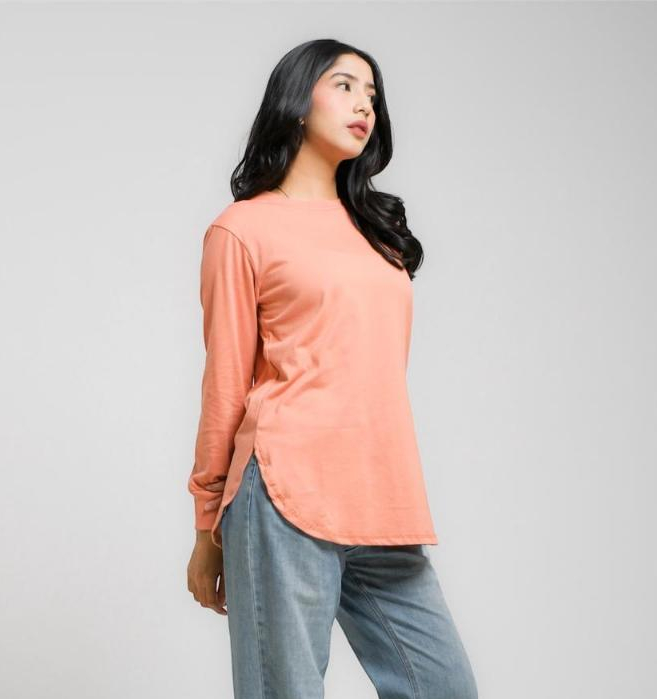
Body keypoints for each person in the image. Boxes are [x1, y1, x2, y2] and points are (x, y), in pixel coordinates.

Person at [186, 38, 479, 699]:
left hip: (382, 493)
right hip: (283, 492)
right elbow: (225, 383)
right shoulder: (242, 230)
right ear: (296, 102)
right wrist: (207, 526)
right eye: (344, 85)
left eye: (371, 93)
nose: (364, 104)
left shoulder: (377, 231)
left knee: (446, 688)